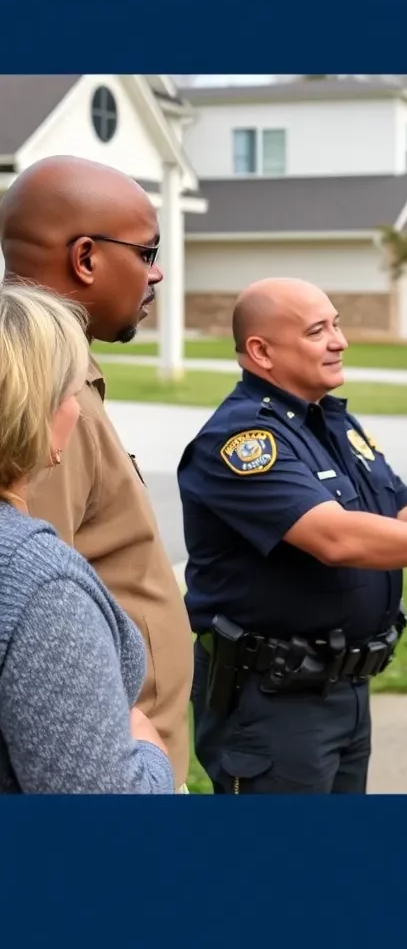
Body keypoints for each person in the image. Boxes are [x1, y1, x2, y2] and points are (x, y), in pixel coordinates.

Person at [178, 277, 407, 795]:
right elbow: (336, 539)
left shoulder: (330, 423)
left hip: (343, 689)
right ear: (261, 352)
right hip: (275, 701)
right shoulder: (242, 441)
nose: (339, 340)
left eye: (336, 324)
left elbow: (404, 507)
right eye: (317, 331)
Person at [0, 155, 195, 791]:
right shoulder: (50, 402)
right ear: (86, 258)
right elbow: (27, 611)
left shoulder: (58, 383)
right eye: (147, 251)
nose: (157, 271)